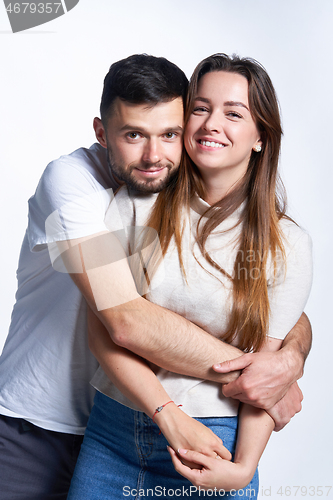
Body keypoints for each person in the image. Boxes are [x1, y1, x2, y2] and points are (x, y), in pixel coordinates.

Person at [0, 55, 311, 500]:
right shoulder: (76, 184)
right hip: (42, 424)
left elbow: (263, 304)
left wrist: (287, 359)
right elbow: (124, 321)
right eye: (133, 135)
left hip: (147, 424)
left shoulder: (187, 185)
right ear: (102, 134)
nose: (153, 155)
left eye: (169, 133)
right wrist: (254, 380)